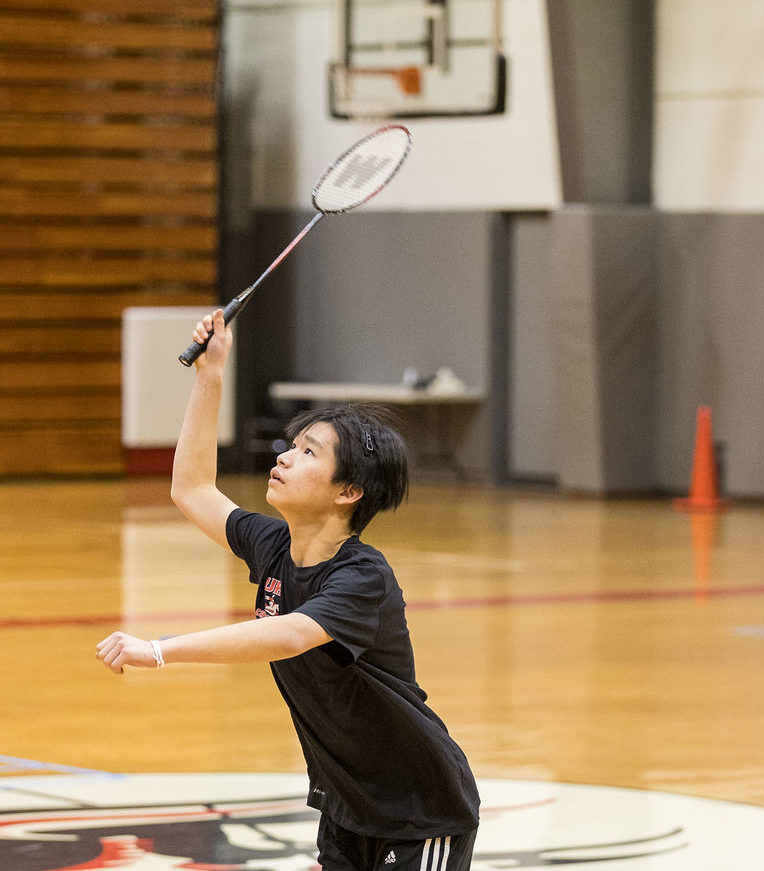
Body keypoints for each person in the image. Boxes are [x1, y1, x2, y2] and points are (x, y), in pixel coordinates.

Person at [96, 309, 480, 870]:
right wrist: (211, 375)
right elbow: (194, 488)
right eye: (291, 445)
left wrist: (159, 651)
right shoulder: (274, 546)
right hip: (346, 805)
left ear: (348, 491)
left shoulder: (362, 577)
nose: (283, 456)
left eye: (308, 453)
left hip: (420, 808)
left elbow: (292, 634)